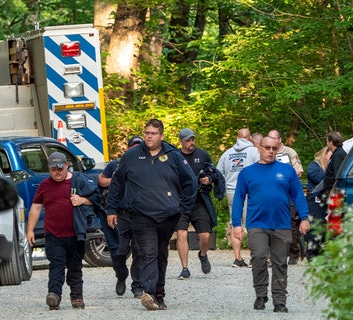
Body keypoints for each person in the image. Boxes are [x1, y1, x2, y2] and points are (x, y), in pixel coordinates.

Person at [105, 119, 197, 311]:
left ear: (162, 136)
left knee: (161, 253)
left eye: (153, 133)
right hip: (140, 215)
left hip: (168, 215)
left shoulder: (173, 156)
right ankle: (149, 293)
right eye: (147, 132)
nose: (149, 136)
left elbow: (190, 183)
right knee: (148, 253)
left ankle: (159, 293)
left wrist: (183, 208)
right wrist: (111, 209)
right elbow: (116, 184)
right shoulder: (131, 156)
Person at [231, 136, 310, 313]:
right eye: (267, 148)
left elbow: (298, 195)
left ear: (278, 148)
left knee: (280, 262)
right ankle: (260, 294)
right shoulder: (248, 172)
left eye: (274, 148)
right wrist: (237, 223)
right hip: (257, 223)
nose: (271, 151)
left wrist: (304, 217)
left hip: (281, 224)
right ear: (259, 148)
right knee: (258, 257)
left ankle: (280, 301)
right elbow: (238, 198)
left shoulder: (287, 171)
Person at [27, 152, 101, 310]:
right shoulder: (45, 185)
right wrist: (30, 230)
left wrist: (82, 200)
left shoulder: (79, 180)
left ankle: (77, 297)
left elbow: (97, 198)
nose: (57, 172)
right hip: (54, 234)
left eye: (60, 168)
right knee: (56, 265)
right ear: (49, 169)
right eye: (53, 169)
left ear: (67, 165)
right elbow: (36, 206)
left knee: (75, 267)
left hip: (76, 233)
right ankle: (54, 295)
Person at [175, 128, 224, 279]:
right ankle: (185, 268)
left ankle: (203, 254)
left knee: (205, 236)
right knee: (181, 233)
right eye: (188, 140)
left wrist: (208, 179)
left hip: (199, 200)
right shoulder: (174, 156)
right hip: (181, 201)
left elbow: (212, 173)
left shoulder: (202, 155)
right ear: (181, 141)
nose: (191, 143)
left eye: (193, 139)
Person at [98, 135, 144, 298]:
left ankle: (137, 285)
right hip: (120, 214)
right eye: (133, 146)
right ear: (128, 148)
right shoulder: (116, 164)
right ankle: (121, 276)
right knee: (118, 250)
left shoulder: (147, 164)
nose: (136, 149)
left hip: (140, 214)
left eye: (139, 146)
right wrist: (117, 180)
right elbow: (101, 180)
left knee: (139, 250)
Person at [216, 128, 259, 267]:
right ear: (250, 138)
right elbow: (261, 169)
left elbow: (218, 173)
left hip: (231, 192)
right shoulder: (254, 151)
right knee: (252, 224)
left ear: (237, 138)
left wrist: (223, 189)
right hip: (249, 192)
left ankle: (238, 258)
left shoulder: (227, 153)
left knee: (236, 224)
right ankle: (254, 258)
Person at [268, 130, 304, 265]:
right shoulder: (267, 152)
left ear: (279, 140)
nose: (271, 141)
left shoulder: (289, 152)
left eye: (273, 138)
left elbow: (298, 171)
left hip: (288, 192)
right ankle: (274, 255)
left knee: (290, 223)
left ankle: (294, 252)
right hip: (272, 193)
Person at [303, 147, 332, 261]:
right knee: (314, 237)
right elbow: (323, 179)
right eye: (331, 156)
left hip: (327, 207)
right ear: (325, 154)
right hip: (315, 206)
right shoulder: (313, 167)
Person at [323, 131, 347, 196]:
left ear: (331, 142)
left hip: (335, 193)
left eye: (327, 141)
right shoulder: (336, 154)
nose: (327, 143)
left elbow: (338, 175)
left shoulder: (338, 155)